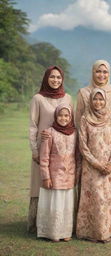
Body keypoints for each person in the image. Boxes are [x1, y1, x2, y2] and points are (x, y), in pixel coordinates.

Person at [28, 66, 72, 233]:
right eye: (52, 77)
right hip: (43, 149)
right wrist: (35, 150)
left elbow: (70, 122)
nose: (55, 80)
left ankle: (60, 224)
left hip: (62, 152)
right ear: (46, 78)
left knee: (59, 185)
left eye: (59, 77)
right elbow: (33, 126)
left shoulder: (67, 97)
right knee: (40, 184)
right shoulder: (38, 99)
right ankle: (39, 224)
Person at [76, 88, 111, 243]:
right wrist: (96, 164)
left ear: (105, 101)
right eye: (95, 99)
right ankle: (91, 232)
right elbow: (83, 146)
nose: (98, 102)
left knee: (106, 199)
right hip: (91, 167)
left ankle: (106, 231)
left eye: (101, 99)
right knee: (94, 199)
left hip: (108, 167)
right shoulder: (85, 119)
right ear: (90, 101)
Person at [37, 104, 79, 242]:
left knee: (67, 205)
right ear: (55, 116)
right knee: (55, 204)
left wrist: (77, 174)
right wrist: (46, 177)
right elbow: (44, 157)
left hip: (69, 175)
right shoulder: (49, 132)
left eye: (66, 115)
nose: (63, 118)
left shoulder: (75, 133)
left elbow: (77, 156)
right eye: (60, 115)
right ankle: (53, 233)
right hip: (54, 176)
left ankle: (66, 232)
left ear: (71, 117)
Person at [75, 59, 111, 127]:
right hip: (87, 135)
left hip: (108, 135)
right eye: (98, 71)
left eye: (105, 72)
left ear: (109, 74)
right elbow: (78, 119)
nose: (101, 75)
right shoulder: (83, 92)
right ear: (93, 72)